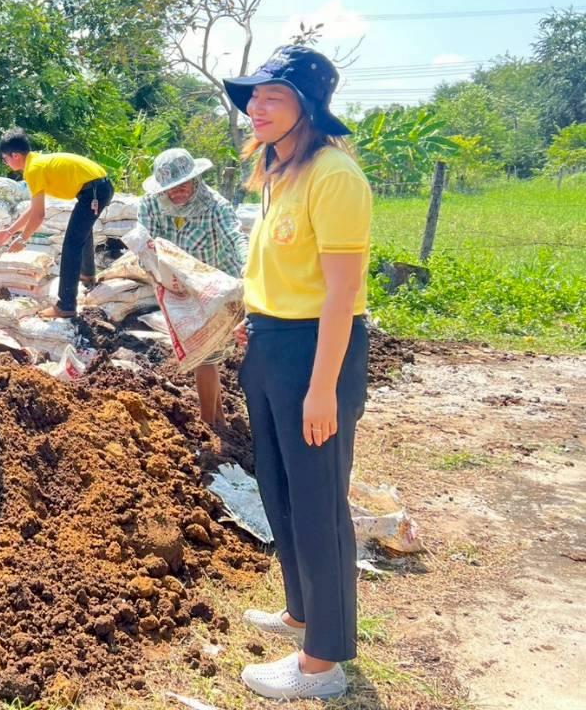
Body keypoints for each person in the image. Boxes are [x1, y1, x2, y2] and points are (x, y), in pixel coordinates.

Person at [222, 46, 371, 701]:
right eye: (252, 95)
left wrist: (321, 388)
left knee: (318, 504)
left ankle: (323, 663)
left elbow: (341, 293)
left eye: (271, 96)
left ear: (306, 109)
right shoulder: (279, 170)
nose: (255, 106)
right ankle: (300, 612)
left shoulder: (333, 176)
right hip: (271, 343)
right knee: (280, 490)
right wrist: (251, 317)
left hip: (318, 352)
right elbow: (279, 268)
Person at [138, 147, 248, 427]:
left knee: (205, 355)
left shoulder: (215, 206)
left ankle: (208, 425)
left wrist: (249, 268)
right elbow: (144, 241)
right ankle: (219, 419)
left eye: (182, 186)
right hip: (177, 289)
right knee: (204, 352)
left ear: (195, 180)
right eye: (170, 189)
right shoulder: (151, 205)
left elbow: (236, 237)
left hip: (215, 287)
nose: (176, 193)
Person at [0, 129, 113, 319]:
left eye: (4, 158)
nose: (5, 162)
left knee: (71, 245)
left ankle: (65, 306)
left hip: (94, 191)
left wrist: (23, 240)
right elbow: (33, 209)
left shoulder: (33, 169)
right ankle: (87, 275)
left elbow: (39, 215)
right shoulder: (36, 163)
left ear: (15, 155)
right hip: (97, 188)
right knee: (81, 232)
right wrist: (9, 231)